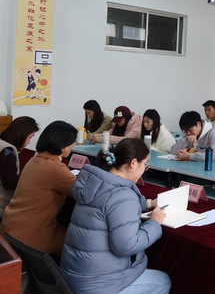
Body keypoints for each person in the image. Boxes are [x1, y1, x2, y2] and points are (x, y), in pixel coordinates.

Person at [61, 138, 171, 294]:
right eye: (145, 164)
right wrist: (154, 222)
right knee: (163, 281)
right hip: (98, 286)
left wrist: (147, 203)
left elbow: (112, 205)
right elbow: (127, 246)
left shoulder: (95, 184)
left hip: (72, 278)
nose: (144, 170)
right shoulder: (122, 195)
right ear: (133, 163)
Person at [1, 121, 76, 255]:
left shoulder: (34, 160)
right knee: (78, 240)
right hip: (30, 236)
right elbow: (84, 192)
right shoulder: (56, 168)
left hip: (10, 226)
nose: (72, 146)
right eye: (72, 142)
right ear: (62, 144)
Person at [0, 116, 39, 219]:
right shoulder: (8, 150)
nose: (29, 142)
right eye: (30, 137)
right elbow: (10, 182)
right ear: (22, 134)